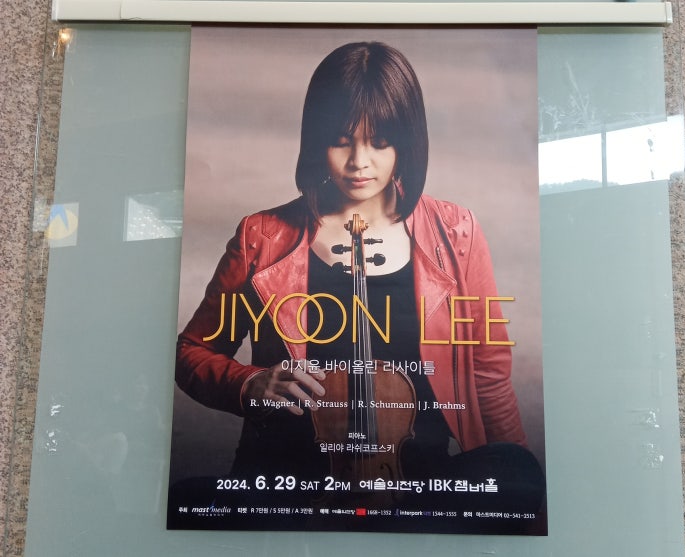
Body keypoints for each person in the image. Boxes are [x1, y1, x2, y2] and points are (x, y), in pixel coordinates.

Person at [174, 42, 543, 521]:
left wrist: (515, 487)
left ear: (406, 143)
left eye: (380, 142)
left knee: (519, 474)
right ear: (315, 139)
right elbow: (191, 352)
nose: (359, 162)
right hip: (296, 480)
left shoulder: (457, 232)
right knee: (186, 501)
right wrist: (249, 383)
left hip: (416, 483)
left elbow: (488, 376)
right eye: (342, 140)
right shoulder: (260, 236)